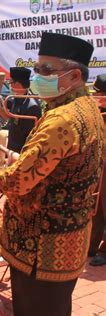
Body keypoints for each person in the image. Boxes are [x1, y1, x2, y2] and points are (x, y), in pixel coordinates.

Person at [0, 33, 104, 316]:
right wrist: (21, 158)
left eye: (46, 70)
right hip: (69, 241)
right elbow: (65, 166)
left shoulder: (62, 119)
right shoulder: (88, 108)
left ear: (74, 75)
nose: (36, 76)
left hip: (40, 248)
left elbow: (17, 182)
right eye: (36, 68)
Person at [0, 67, 42, 153]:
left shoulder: (32, 107)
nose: (10, 86)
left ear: (17, 84)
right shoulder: (16, 98)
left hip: (21, 151)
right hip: (12, 148)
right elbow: (11, 118)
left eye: (11, 83)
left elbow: (28, 135)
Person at [89, 74, 106, 266]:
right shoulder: (97, 112)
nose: (95, 96)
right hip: (99, 163)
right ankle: (92, 245)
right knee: (96, 207)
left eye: (98, 93)